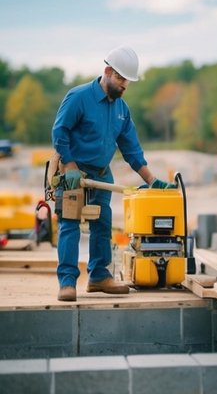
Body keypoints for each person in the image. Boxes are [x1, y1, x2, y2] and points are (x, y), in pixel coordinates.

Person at [52, 45, 176, 302]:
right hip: (72, 173)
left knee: (102, 225)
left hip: (101, 175)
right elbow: (59, 132)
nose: (124, 86)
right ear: (107, 71)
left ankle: (98, 277)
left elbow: (131, 150)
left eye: (127, 81)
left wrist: (152, 181)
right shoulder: (78, 97)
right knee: (70, 225)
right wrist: (71, 166)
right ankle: (67, 283)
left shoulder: (122, 109)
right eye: (120, 79)